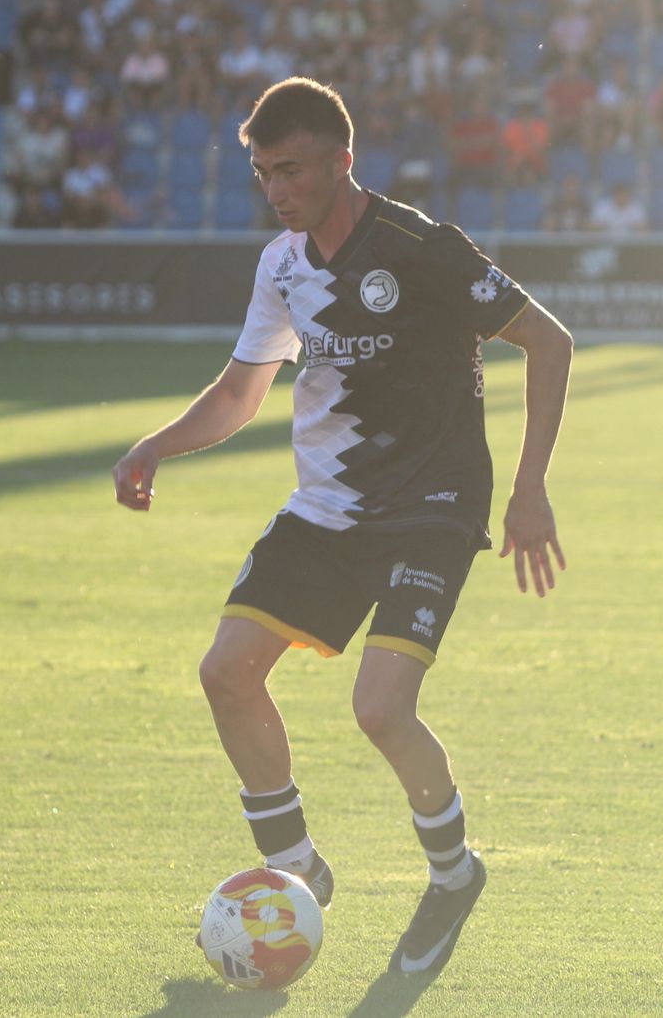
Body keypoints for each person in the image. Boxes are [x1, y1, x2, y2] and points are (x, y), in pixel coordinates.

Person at [111, 78, 573, 977]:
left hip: (433, 508)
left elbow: (548, 340)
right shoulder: (282, 265)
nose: (276, 190)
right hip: (326, 510)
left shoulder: (421, 248)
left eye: (291, 170)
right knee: (225, 672)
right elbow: (240, 392)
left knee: (380, 708)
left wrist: (530, 489)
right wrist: (155, 446)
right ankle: (295, 868)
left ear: (342, 161)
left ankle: (454, 873)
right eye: (262, 173)